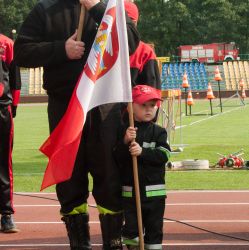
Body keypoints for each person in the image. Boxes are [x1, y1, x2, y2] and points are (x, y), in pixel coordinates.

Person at [14, 0, 139, 249]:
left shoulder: (111, 6)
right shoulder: (46, 9)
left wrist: (95, 7)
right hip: (64, 106)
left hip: (104, 106)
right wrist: (62, 49)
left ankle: (112, 242)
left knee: (109, 175)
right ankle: (79, 243)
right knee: (69, 178)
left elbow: (131, 43)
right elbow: (21, 52)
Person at [114, 85, 171, 250]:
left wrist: (143, 152)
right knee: (131, 230)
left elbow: (164, 155)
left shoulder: (159, 132)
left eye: (152, 105)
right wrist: (125, 141)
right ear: (131, 107)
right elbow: (116, 157)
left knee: (154, 230)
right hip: (130, 192)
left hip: (154, 194)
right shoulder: (125, 130)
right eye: (143, 105)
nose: (149, 109)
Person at [0, 33, 21, 233]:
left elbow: (15, 78)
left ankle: (6, 215)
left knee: (4, 163)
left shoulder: (6, 43)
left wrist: (13, 105)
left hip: (1, 110)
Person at [125, 2, 161, 90]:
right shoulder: (98, 48)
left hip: (136, 103)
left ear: (134, 23)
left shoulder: (146, 52)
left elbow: (152, 92)